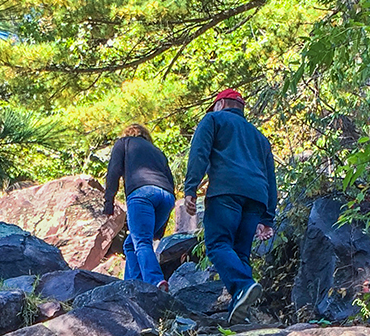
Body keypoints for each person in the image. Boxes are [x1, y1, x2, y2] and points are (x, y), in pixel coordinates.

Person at [183, 88, 276, 322]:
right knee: (240, 253)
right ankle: (240, 312)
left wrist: (190, 189)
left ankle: (243, 285)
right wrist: (268, 217)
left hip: (226, 191)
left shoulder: (213, 120)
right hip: (257, 197)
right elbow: (270, 176)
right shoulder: (259, 137)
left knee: (217, 244)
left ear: (221, 104)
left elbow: (200, 153)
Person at [103, 123, 176, 287]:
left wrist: (109, 203)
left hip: (141, 193)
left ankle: (155, 281)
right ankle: (131, 285)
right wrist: (161, 228)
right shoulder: (157, 152)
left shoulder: (123, 143)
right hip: (166, 196)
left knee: (141, 241)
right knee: (130, 243)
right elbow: (171, 180)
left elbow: (113, 171)